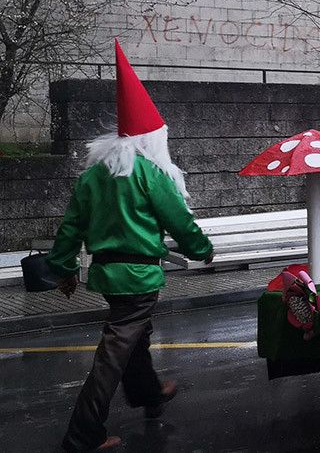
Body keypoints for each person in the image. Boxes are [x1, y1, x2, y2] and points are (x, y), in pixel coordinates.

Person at [48, 41, 214, 452]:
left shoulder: (92, 176)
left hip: (107, 272)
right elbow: (177, 218)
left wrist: (65, 269)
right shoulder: (150, 173)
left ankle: (151, 394)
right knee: (114, 352)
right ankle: (82, 435)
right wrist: (201, 248)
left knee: (133, 335)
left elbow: (71, 227)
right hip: (139, 274)